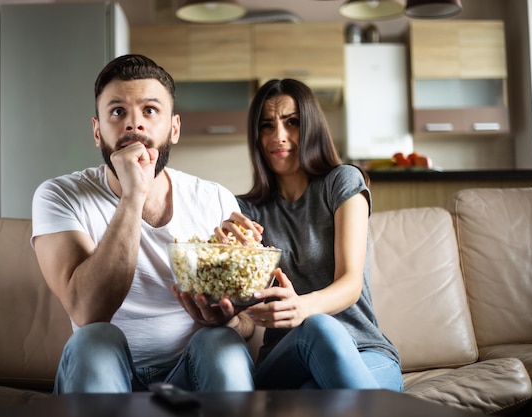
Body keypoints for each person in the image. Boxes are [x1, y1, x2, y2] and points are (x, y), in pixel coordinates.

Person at [31, 54, 255, 394]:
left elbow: (250, 325)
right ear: (97, 130)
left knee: (221, 341)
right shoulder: (59, 195)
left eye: (150, 110)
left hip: (191, 367)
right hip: (106, 368)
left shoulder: (215, 199)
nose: (134, 125)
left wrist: (232, 318)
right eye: (118, 111)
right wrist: (133, 196)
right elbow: (87, 310)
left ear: (174, 128)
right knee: (94, 338)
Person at [219, 78, 403, 391]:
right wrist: (225, 261)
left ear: (311, 127)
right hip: (286, 357)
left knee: (316, 391)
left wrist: (302, 307)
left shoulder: (342, 182)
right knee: (318, 328)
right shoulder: (245, 211)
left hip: (365, 353)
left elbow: (350, 283)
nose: (279, 136)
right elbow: (246, 309)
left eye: (292, 122)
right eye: (267, 125)